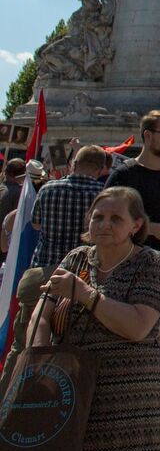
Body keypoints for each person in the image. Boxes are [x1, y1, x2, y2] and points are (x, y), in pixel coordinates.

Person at [6, 187, 160, 451]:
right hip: (64, 399)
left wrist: (84, 294)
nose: (104, 224)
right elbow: (42, 313)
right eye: (98, 216)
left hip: (123, 408)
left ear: (136, 225)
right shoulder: (76, 258)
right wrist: (40, 365)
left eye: (116, 218)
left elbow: (137, 326)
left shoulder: (150, 263)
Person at [0, 143, 105, 394]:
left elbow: (35, 226)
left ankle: (6, 397)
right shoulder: (103, 194)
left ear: (74, 164)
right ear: (100, 169)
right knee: (72, 345)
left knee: (23, 342)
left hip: (42, 271)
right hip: (81, 278)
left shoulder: (48, 189)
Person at [105, 110, 160, 358]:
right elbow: (105, 221)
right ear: (147, 136)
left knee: (154, 343)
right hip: (126, 271)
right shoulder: (124, 174)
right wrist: (152, 229)